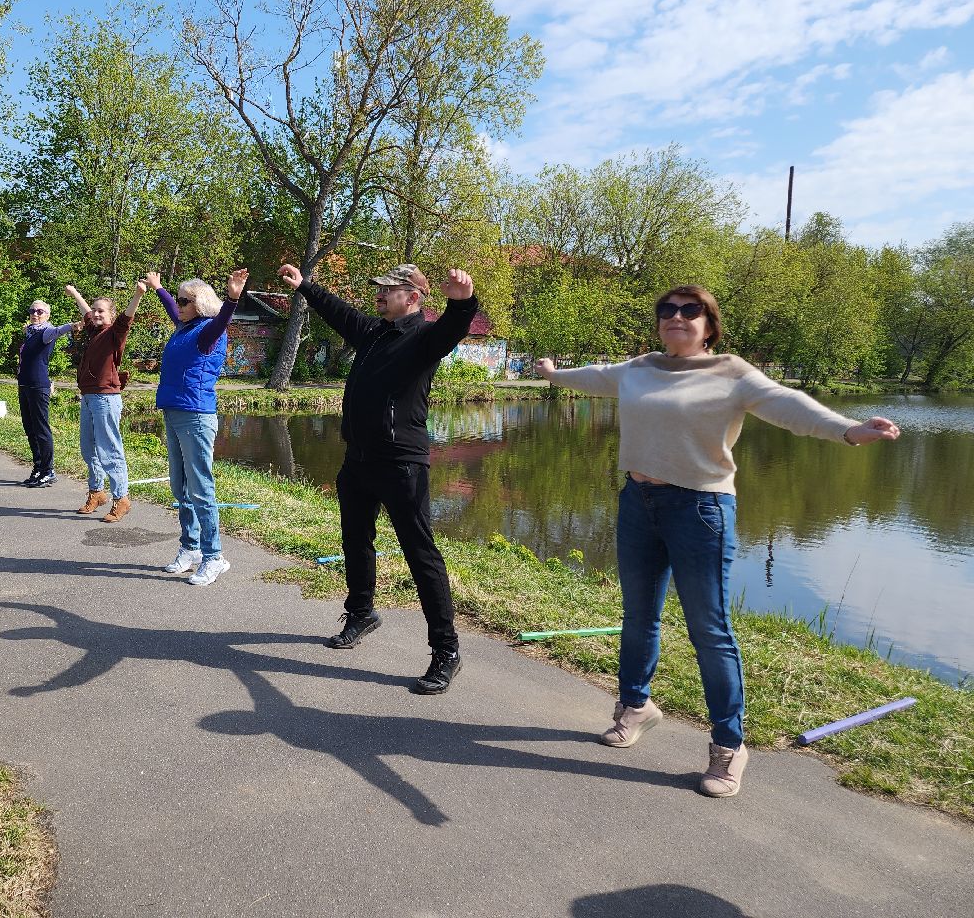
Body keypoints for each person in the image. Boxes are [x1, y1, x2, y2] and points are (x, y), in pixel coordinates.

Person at [534, 286, 900, 798]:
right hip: (638, 502)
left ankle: (729, 746)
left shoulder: (732, 373)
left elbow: (789, 406)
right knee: (639, 616)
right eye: (667, 310)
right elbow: (595, 377)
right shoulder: (640, 368)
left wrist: (850, 430)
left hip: (701, 510)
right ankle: (635, 707)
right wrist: (554, 374)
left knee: (710, 630)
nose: (676, 317)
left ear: (709, 325)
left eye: (690, 310)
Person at [278, 262, 477, 695]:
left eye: (389, 289)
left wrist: (462, 303)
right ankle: (361, 613)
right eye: (379, 288)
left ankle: (446, 650)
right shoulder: (372, 332)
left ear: (413, 297)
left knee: (421, 554)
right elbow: (339, 311)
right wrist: (306, 286)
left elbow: (454, 327)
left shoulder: (425, 338)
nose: (380, 294)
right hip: (358, 461)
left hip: (402, 464)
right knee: (355, 540)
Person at [147, 268, 246, 585]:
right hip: (174, 412)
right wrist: (159, 288)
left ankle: (214, 556)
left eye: (184, 301)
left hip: (196, 415)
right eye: (178, 300)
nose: (178, 305)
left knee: (201, 489)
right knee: (180, 487)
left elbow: (222, 321)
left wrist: (232, 298)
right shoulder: (184, 327)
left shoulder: (207, 332)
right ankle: (190, 548)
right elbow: (170, 308)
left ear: (199, 304)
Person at [64, 279, 148, 522]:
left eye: (101, 311)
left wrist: (138, 294)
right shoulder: (94, 331)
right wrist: (75, 293)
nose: (96, 314)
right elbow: (86, 312)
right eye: (95, 310)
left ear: (111, 315)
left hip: (106, 398)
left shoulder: (114, 334)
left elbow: (127, 318)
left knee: (109, 449)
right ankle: (97, 492)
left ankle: (121, 498)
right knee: (88, 448)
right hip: (88, 397)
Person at [15, 299, 76, 487]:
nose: (35, 314)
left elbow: (58, 331)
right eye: (32, 310)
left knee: (41, 430)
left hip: (38, 386)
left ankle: (48, 471)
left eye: (40, 311)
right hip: (25, 385)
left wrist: (72, 325)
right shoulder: (30, 332)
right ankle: (38, 467)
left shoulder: (46, 332)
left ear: (47, 315)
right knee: (30, 429)